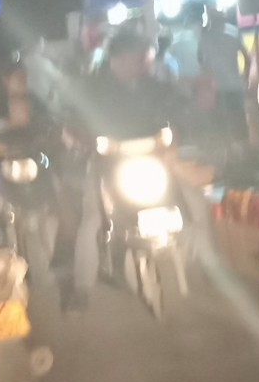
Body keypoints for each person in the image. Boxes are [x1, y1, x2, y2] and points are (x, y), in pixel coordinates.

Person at [63, 31, 181, 309]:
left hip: (149, 163)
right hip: (106, 163)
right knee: (92, 219)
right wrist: (81, 139)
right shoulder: (92, 88)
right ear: (116, 59)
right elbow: (74, 121)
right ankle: (82, 288)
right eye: (135, 58)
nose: (141, 64)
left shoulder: (154, 87)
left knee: (179, 202)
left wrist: (176, 130)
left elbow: (175, 110)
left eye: (143, 58)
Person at [199, 9, 249, 143]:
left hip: (217, 87)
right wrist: (246, 77)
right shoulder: (234, 32)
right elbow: (247, 56)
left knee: (220, 122)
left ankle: (227, 147)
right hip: (233, 84)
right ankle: (243, 146)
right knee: (238, 118)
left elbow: (202, 63)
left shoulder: (205, 37)